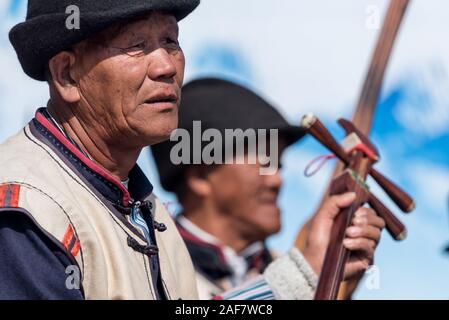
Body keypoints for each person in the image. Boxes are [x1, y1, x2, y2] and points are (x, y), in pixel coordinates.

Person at [0, 0, 383, 300]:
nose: (167, 66)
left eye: (171, 41)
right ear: (67, 74)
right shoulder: (25, 208)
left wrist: (312, 274)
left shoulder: (148, 217)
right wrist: (301, 278)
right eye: (137, 46)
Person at [151, 78, 386, 299]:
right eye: (265, 163)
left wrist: (333, 284)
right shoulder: (150, 270)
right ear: (201, 177)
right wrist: (304, 276)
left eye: (279, 166)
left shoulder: (286, 265)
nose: (277, 180)